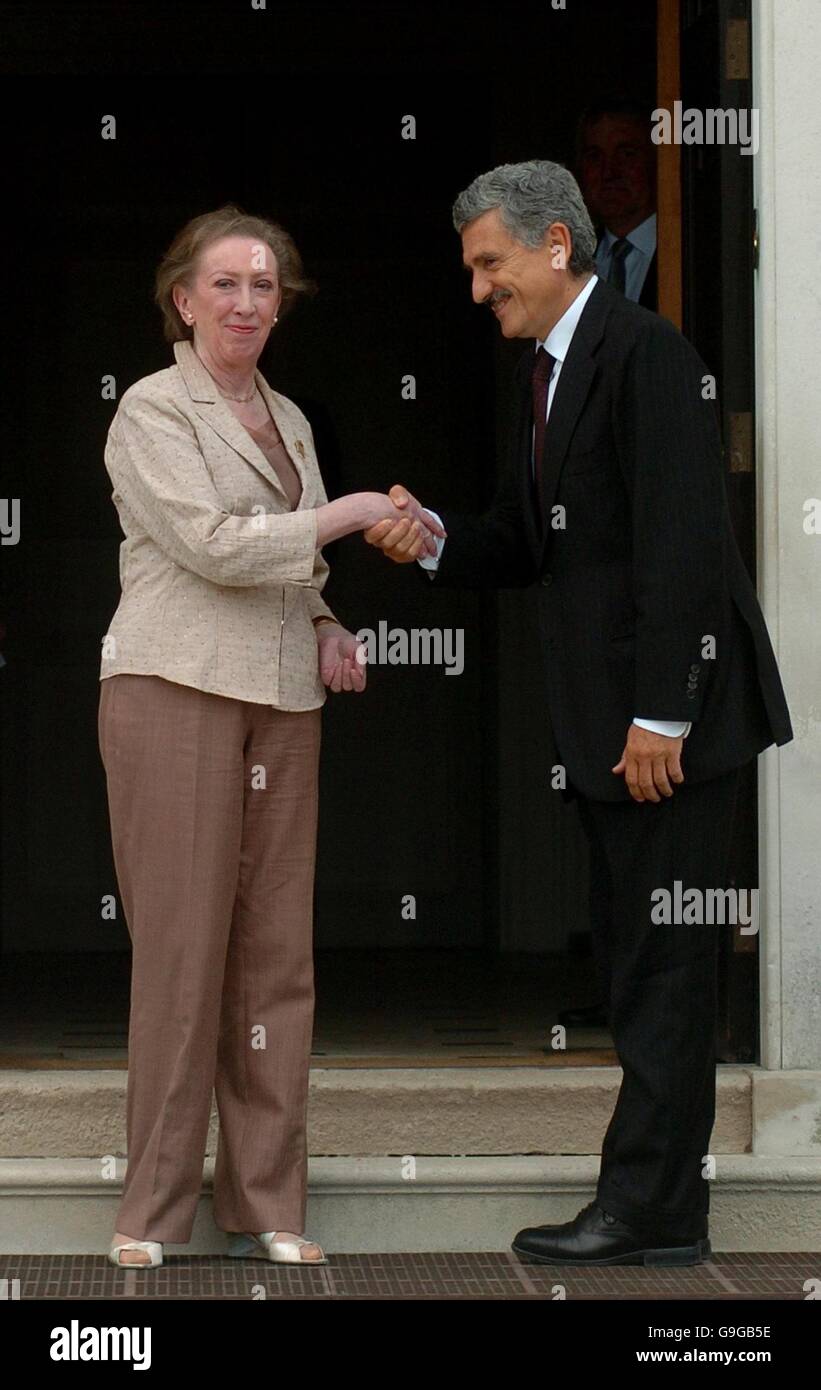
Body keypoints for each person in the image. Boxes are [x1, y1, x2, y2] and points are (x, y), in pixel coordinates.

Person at [364, 161, 792, 1266]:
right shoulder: (546, 374)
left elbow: (683, 546)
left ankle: (646, 1209)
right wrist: (437, 539)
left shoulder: (645, 356)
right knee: (635, 960)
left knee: (661, 969)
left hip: (665, 731)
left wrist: (663, 715)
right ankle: (656, 1206)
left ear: (556, 245)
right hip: (616, 731)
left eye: (487, 264)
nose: (476, 290)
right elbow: (526, 537)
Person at [98, 204, 442, 1269]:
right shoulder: (152, 411)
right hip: (175, 684)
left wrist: (333, 624)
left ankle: (266, 1203)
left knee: (274, 959)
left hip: (283, 695)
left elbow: (295, 569)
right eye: (227, 284)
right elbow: (214, 547)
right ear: (183, 298)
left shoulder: (287, 415)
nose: (248, 301)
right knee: (183, 952)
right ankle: (148, 1214)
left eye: (264, 286)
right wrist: (345, 513)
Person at [576, 97, 658, 310]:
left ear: (655, 159)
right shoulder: (572, 262)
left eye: (626, 155)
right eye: (595, 157)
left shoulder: (686, 253)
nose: (609, 172)